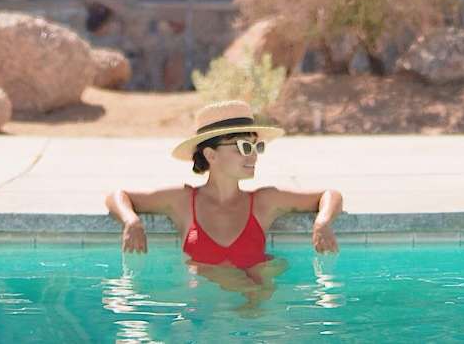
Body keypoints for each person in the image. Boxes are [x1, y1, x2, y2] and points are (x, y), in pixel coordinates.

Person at [104, 99, 343, 298]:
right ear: (211, 155)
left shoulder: (264, 201)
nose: (254, 156)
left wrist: (322, 222)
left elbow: (330, 195)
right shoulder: (183, 201)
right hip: (200, 322)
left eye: (256, 147)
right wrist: (131, 222)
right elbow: (117, 196)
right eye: (244, 147)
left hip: (251, 320)